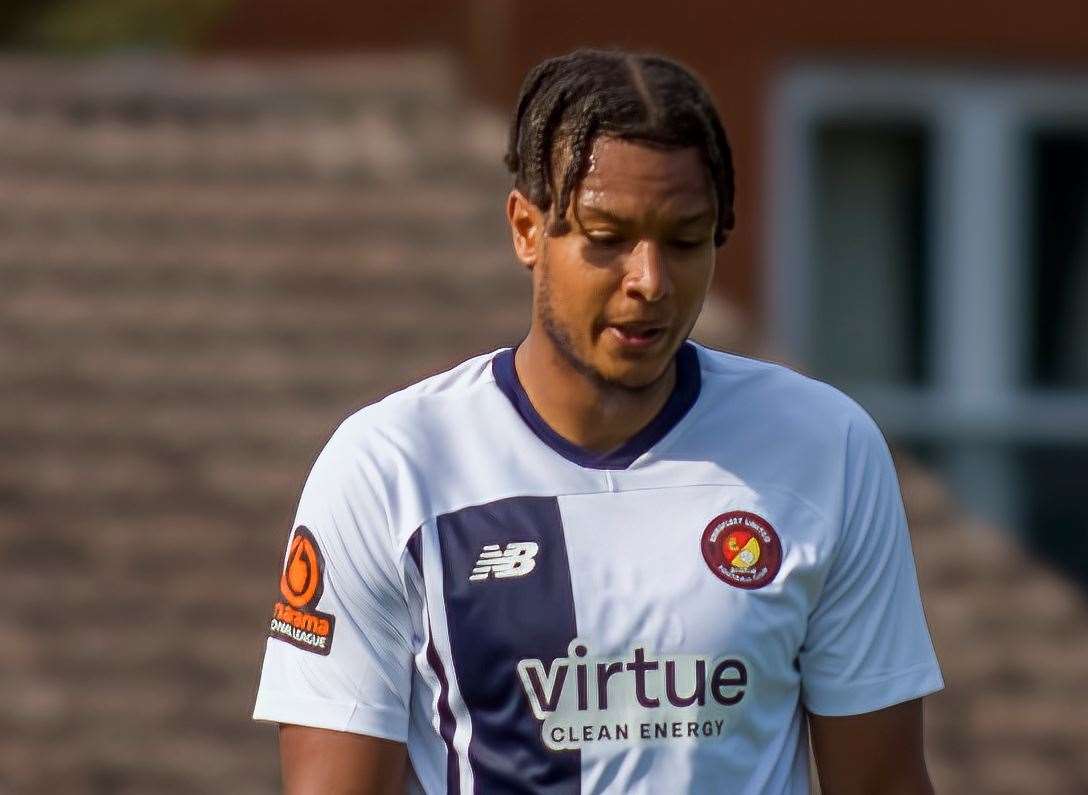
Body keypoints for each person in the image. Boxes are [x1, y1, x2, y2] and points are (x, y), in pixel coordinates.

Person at [252, 47, 943, 794]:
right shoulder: (388, 469)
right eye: (607, 238)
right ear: (526, 228)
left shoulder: (826, 449)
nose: (649, 281)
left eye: (684, 240)